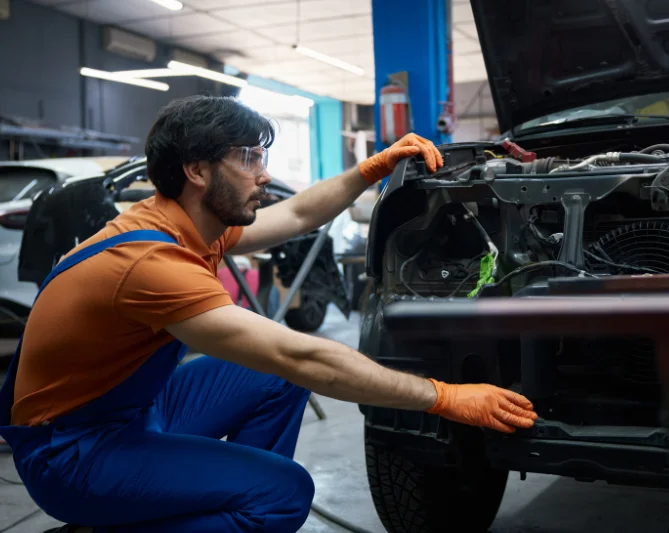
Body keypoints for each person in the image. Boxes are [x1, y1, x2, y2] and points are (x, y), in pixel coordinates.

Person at [0, 95, 538, 533]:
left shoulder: (184, 220)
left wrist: (370, 170)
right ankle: (138, 521)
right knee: (283, 494)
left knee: (269, 382)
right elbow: (299, 354)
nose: (264, 173)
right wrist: (445, 397)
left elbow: (299, 212)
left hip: (129, 414)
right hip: (71, 452)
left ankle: (213, 502)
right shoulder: (151, 261)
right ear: (197, 171)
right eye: (249, 158)